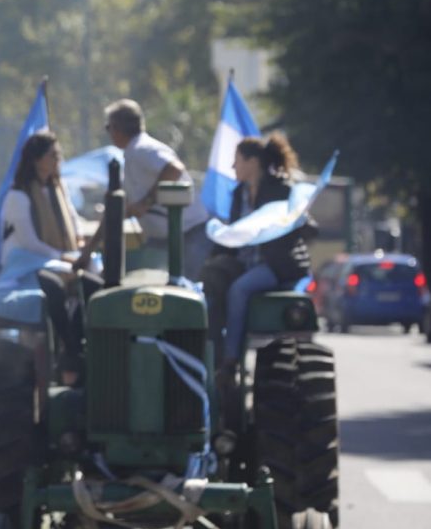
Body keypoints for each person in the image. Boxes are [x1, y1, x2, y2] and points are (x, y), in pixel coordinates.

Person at [1, 130, 103, 380]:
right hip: (27, 264)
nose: (59, 160)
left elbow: (74, 223)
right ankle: (70, 348)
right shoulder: (18, 196)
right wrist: (63, 256)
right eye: (53, 155)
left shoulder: (59, 190)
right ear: (37, 160)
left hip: (61, 260)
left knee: (95, 286)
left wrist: (80, 246)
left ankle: (82, 344)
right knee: (54, 288)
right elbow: (29, 242)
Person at [214, 134, 313, 377]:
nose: (233, 166)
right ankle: (212, 350)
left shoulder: (282, 190)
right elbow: (234, 233)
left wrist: (294, 221)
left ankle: (230, 359)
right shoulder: (239, 193)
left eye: (237, 160)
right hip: (244, 262)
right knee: (211, 282)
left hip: (276, 265)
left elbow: (309, 228)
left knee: (239, 290)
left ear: (252, 162)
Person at [104, 99, 210, 280]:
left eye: (108, 127)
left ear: (117, 128)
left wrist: (146, 202)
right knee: (147, 283)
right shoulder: (132, 155)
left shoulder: (143, 149)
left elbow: (174, 169)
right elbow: (119, 209)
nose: (108, 133)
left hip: (189, 236)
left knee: (187, 289)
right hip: (162, 240)